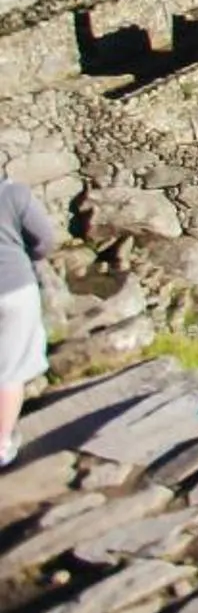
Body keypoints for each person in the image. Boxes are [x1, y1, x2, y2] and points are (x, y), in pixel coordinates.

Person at [0, 176, 60, 467]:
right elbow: (45, 240)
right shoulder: (14, 193)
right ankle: (1, 445)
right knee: (10, 371)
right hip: (15, 290)